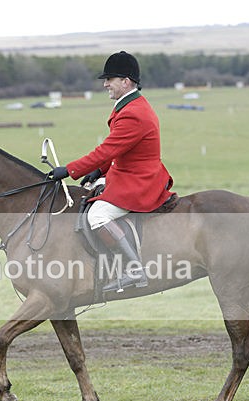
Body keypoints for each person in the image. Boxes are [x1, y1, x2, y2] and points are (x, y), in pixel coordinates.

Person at [50, 51, 174, 293]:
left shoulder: (133, 113)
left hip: (139, 180)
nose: (105, 84)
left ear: (125, 81)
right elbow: (120, 150)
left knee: (97, 216)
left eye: (110, 79)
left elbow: (107, 149)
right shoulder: (130, 106)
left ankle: (135, 269)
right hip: (127, 171)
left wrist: (69, 169)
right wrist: (98, 171)